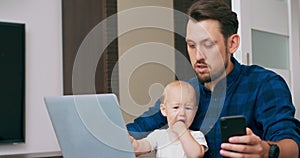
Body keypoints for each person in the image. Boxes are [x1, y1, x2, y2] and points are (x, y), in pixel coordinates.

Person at [127, 0, 300, 157]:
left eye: (208, 45)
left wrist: (266, 151)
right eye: (191, 45)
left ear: (232, 44)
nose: (198, 56)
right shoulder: (183, 91)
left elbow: (291, 146)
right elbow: (137, 130)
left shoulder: (265, 84)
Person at [129, 80, 208, 158]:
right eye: (176, 107)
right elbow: (141, 147)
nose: (182, 113)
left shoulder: (196, 136)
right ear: (164, 110)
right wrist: (134, 145)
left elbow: (195, 155)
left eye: (188, 108)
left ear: (195, 111)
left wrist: (182, 131)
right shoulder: (159, 136)